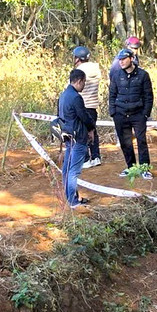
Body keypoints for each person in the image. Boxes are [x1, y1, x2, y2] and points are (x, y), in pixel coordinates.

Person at [107, 48, 153, 179]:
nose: (121, 62)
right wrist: (113, 112)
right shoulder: (116, 75)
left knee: (141, 141)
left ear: (132, 59)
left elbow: (148, 96)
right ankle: (131, 167)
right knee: (125, 142)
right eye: (119, 60)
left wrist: (145, 114)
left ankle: (145, 168)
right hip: (120, 114)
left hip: (138, 114)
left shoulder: (143, 75)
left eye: (124, 59)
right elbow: (112, 95)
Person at [57, 69, 92, 208]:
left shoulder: (63, 95)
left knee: (66, 169)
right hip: (78, 137)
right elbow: (84, 117)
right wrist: (91, 128)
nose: (84, 85)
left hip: (68, 136)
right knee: (73, 171)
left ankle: (71, 198)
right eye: (84, 82)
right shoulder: (76, 97)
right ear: (79, 81)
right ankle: (72, 201)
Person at [71, 46, 103, 168]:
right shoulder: (95, 70)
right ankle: (96, 157)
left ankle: (85, 159)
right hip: (93, 105)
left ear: (78, 58)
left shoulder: (80, 72)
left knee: (81, 133)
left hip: (82, 105)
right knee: (93, 131)